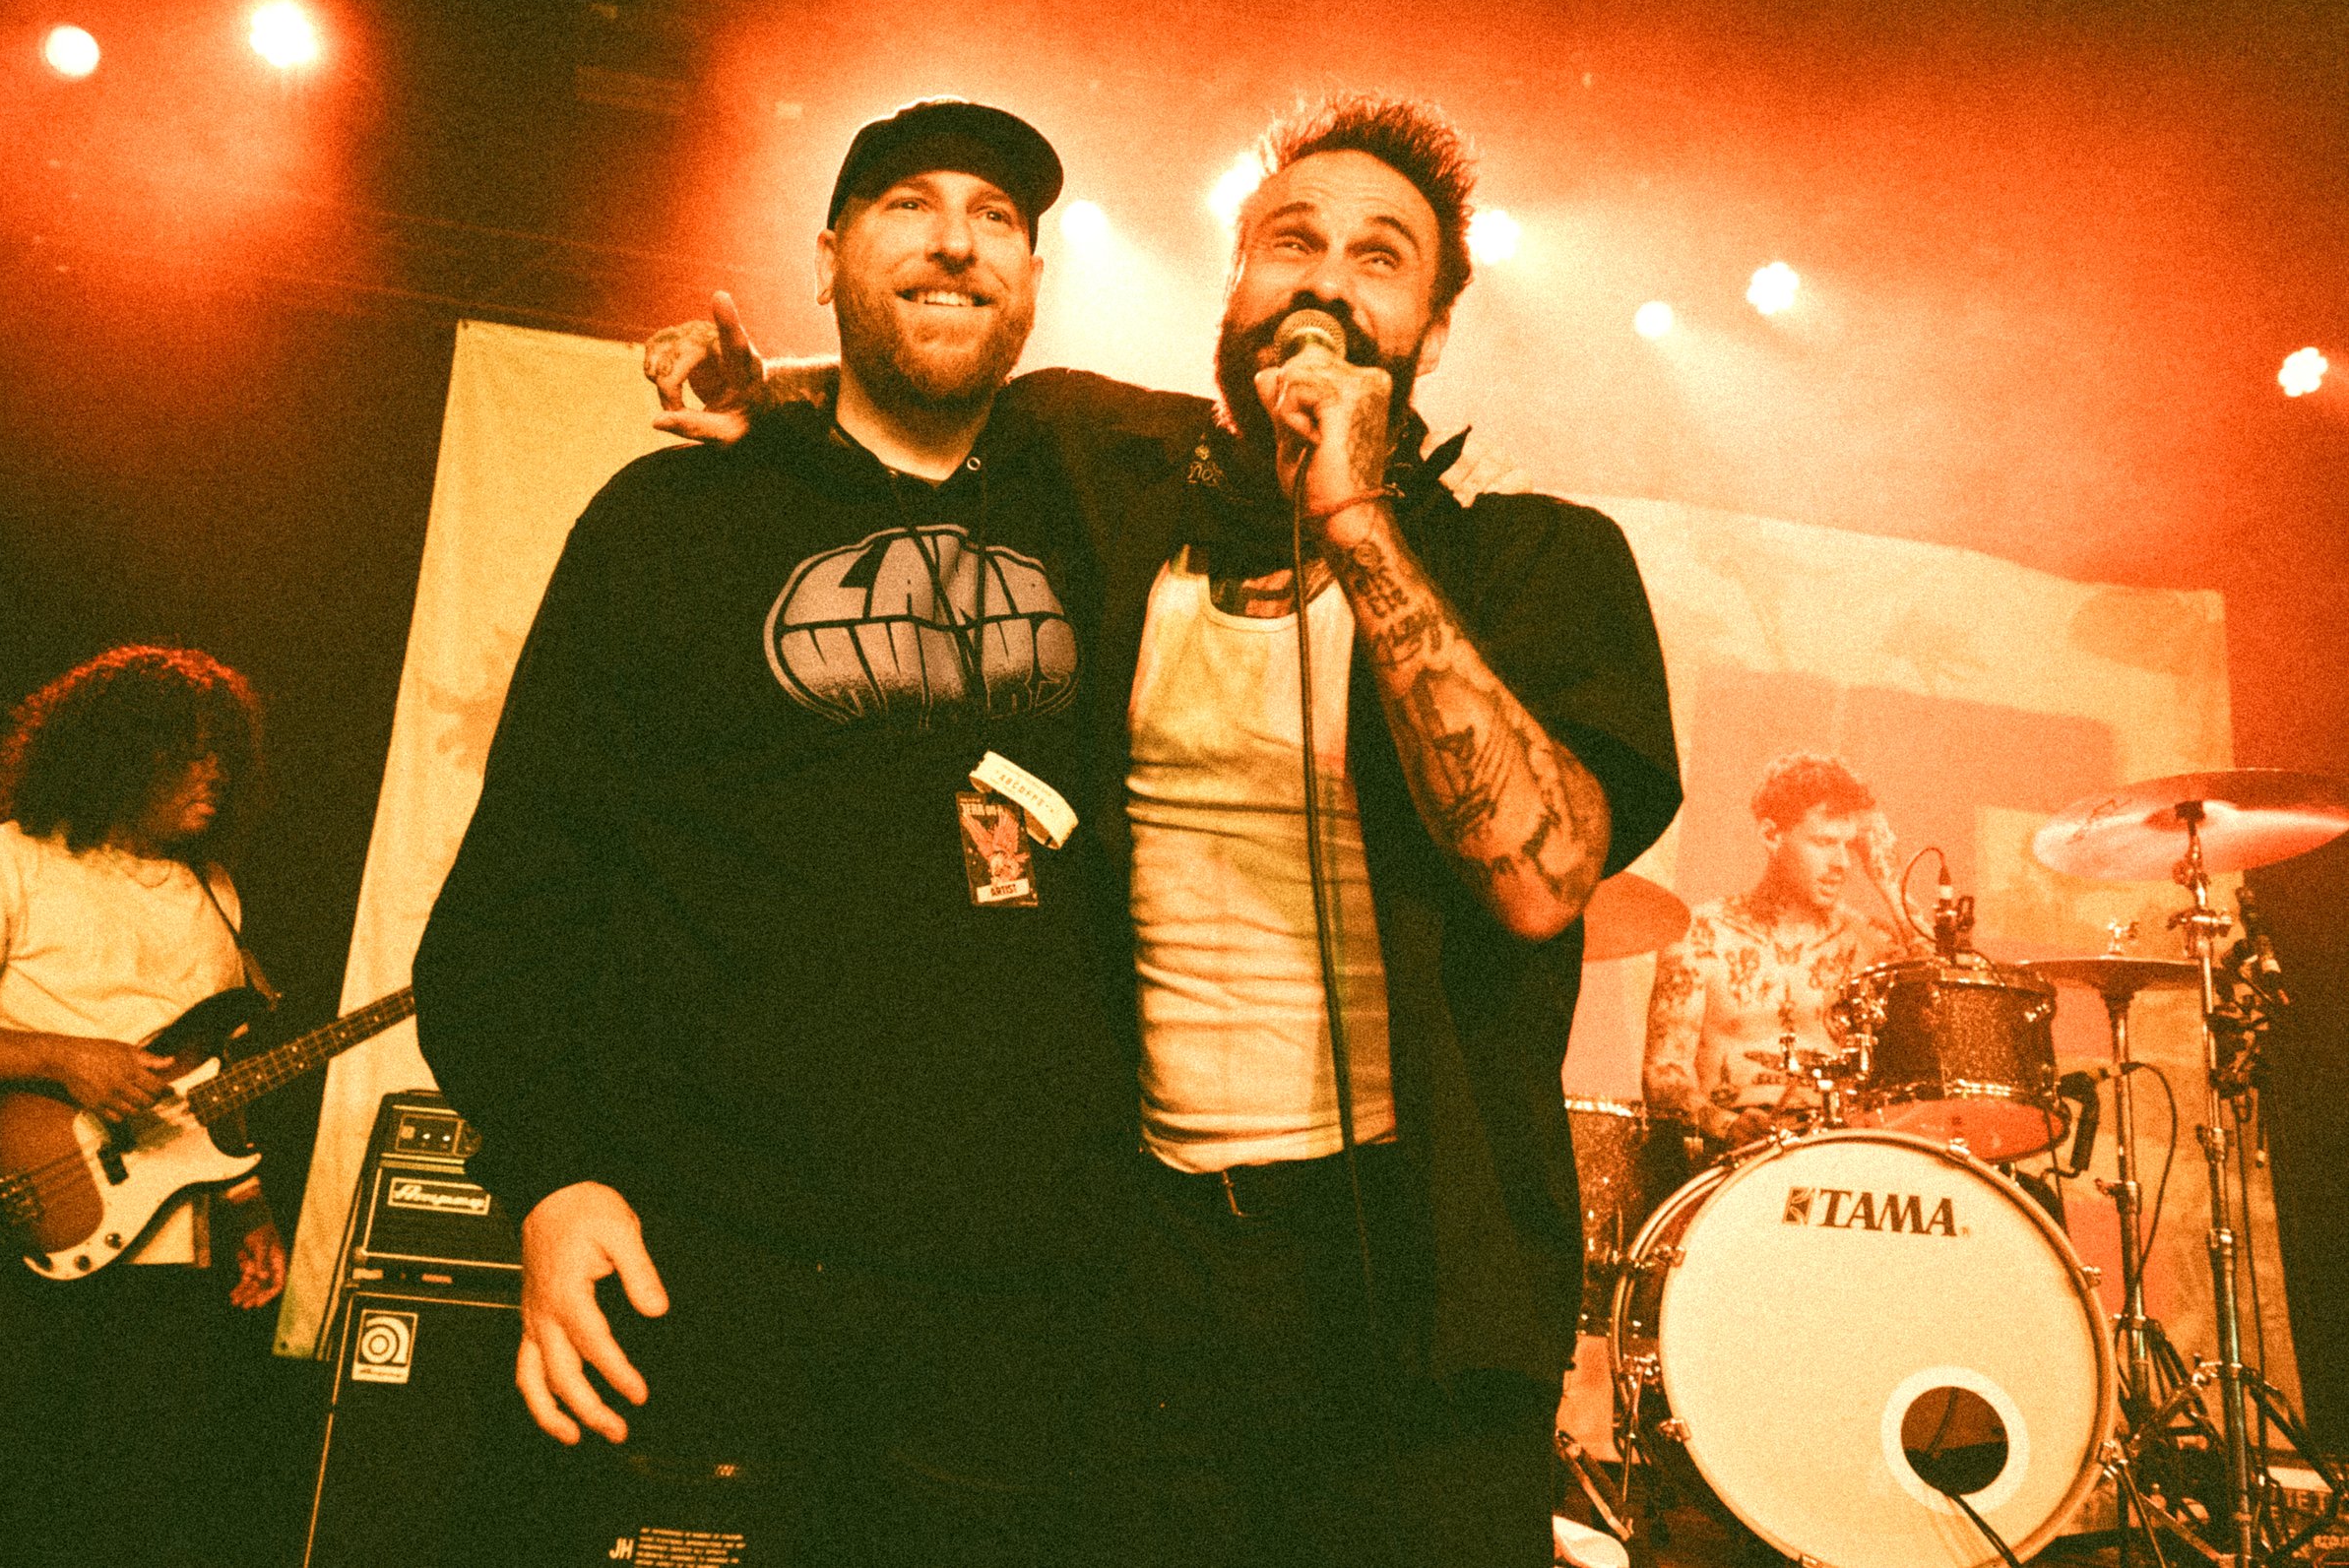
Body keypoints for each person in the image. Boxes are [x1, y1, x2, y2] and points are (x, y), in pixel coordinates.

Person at [647, 93, 1683, 1568]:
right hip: (1127, 1275)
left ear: (1435, 330)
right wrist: (762, 388)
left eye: (1380, 258)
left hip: (1409, 1285)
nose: (1325, 280)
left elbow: (1539, 879)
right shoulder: (1103, 473)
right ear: (1236, 287)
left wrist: (1359, 518)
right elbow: (927, 393)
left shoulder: (1539, 559)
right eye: (1289, 243)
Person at [412, 100, 1139, 1566]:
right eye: (907, 207)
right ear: (824, 257)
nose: (954, 239)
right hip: (703, 1263)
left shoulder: (1106, 522)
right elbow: (528, 878)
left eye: (997, 217)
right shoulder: (673, 515)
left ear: (1035, 278)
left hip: (1017, 1311)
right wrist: (550, 1170)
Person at [0, 645, 287, 1568]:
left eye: (225, 752)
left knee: (132, 1510)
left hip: (165, 1249)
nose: (214, 773)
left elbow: (208, 1072)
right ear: (117, 754)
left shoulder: (211, 887)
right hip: (11, 1231)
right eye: (189, 751)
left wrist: (246, 1202)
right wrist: (63, 1057)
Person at [1641, 750, 1907, 1149]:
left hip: (1841, 1164)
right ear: (1771, 835)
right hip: (1725, 1161)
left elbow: (1953, 1018)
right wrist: (1724, 1125)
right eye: (1822, 842)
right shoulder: (1702, 934)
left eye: (1849, 848)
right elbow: (1665, 1072)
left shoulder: (1873, 946)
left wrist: (1890, 883)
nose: (1842, 864)